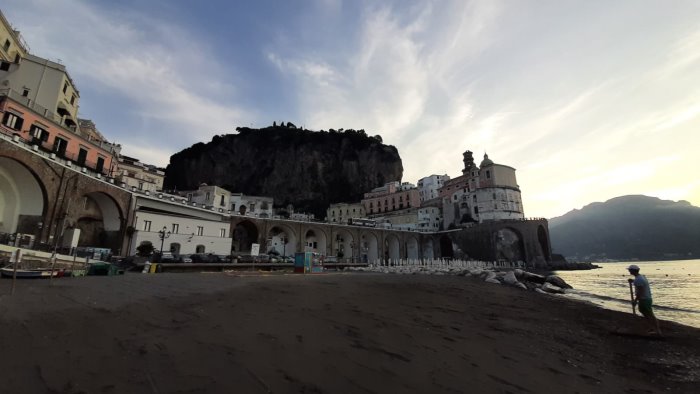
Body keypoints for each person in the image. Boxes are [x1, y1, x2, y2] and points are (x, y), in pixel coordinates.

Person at [627, 264, 662, 336]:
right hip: (646, 299)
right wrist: (633, 281)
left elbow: (640, 291)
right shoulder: (641, 277)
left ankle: (658, 331)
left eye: (629, 270)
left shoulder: (639, 279)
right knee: (645, 313)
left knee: (650, 315)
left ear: (633, 271)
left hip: (644, 299)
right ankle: (652, 328)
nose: (629, 271)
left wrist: (635, 301)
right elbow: (640, 284)